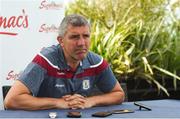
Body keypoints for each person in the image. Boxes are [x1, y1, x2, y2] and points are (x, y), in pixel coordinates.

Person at [4, 14, 125, 110]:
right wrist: (59, 103)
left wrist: (89, 101)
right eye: (74, 37)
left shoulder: (96, 62)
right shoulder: (45, 60)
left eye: (86, 36)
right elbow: (11, 100)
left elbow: (119, 94)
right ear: (61, 41)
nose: (81, 43)